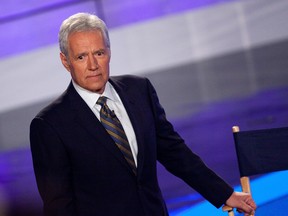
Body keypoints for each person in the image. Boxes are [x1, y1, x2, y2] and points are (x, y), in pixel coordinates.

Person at [30, 12, 256, 216]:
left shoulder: (140, 91)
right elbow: (59, 206)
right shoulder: (49, 125)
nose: (92, 65)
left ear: (109, 52)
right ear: (65, 61)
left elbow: (175, 153)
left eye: (98, 53)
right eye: (81, 57)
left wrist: (224, 193)